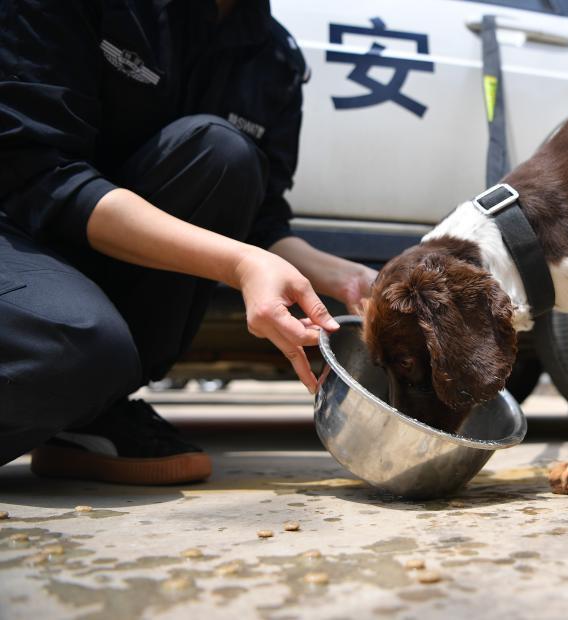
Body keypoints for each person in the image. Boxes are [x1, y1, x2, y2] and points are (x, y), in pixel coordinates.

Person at [0, 0, 377, 484]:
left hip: (83, 258)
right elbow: (37, 173)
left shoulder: (273, 57)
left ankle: (91, 410)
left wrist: (349, 278)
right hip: (16, 228)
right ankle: (83, 377)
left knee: (224, 153)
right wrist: (239, 263)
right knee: (72, 353)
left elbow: (261, 226)